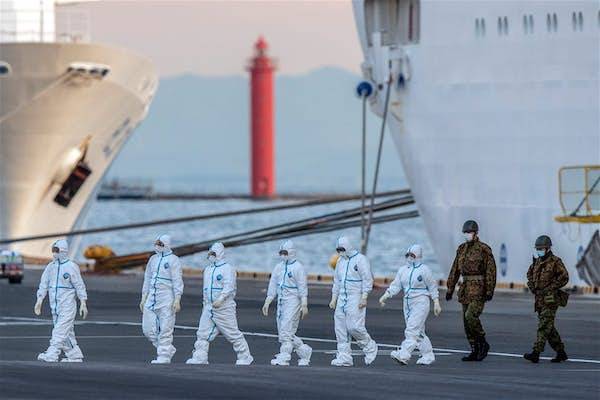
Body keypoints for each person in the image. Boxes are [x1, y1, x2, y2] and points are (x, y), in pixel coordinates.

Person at [186, 242, 253, 365]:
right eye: (210, 253)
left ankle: (245, 356)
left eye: (214, 253)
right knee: (202, 333)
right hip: (209, 307)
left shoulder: (228, 269)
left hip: (224, 307)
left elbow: (229, 286)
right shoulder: (208, 269)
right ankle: (200, 357)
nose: (211, 255)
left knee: (232, 333)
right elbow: (205, 289)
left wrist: (221, 299)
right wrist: (206, 303)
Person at [378, 244, 441, 365]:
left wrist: (436, 302)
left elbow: (432, 286)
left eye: (412, 255)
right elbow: (396, 285)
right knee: (419, 331)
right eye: (408, 255)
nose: (409, 257)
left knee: (412, 330)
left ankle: (404, 354)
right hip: (407, 303)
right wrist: (386, 295)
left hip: (421, 302)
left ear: (418, 256)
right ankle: (428, 355)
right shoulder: (403, 270)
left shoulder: (424, 270)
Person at [446, 220, 496, 361]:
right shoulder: (461, 249)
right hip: (465, 289)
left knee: (471, 316)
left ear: (476, 233)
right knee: (466, 322)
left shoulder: (484, 249)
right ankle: (474, 349)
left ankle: (483, 343)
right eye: (466, 233)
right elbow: (455, 269)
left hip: (479, 289)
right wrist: (450, 288)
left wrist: (489, 290)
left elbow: (491, 271)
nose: (467, 235)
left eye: (470, 232)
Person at [34, 239, 88, 362]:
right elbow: (44, 283)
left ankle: (52, 353)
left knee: (59, 330)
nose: (54, 253)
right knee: (66, 332)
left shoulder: (71, 267)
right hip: (55, 305)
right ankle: (74, 354)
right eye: (53, 250)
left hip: (67, 305)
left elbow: (79, 285)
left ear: (63, 251)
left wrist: (83, 302)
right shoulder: (51, 267)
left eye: (56, 250)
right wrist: (40, 299)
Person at [329, 236, 378, 367]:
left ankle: (369, 346)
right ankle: (344, 356)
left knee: (354, 326)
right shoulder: (340, 261)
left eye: (342, 248)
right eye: (338, 249)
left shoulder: (361, 260)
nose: (340, 251)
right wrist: (334, 298)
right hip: (342, 297)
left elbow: (367, 279)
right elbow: (336, 281)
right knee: (340, 327)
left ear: (348, 247)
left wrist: (364, 297)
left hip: (355, 296)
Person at [262, 240, 312, 366]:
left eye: (285, 253)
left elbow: (302, 287)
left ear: (291, 253)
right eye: (281, 253)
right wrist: (268, 300)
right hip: (281, 301)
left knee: (286, 330)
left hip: (293, 301)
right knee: (284, 331)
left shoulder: (298, 267)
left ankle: (284, 356)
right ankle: (304, 351)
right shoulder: (279, 267)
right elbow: (273, 284)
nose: (283, 255)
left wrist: (304, 303)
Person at [524, 235, 569, 363]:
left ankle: (536, 353)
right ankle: (561, 352)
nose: (539, 250)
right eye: (538, 248)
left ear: (548, 248)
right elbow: (529, 274)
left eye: (541, 248)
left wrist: (551, 287)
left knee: (544, 325)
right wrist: (532, 286)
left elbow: (564, 277)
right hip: (539, 299)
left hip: (550, 298)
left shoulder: (555, 262)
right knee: (549, 328)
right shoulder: (537, 262)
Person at [140, 234, 184, 364]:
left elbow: (177, 280)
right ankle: (165, 349)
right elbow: (147, 278)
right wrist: (144, 296)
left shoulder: (173, 260)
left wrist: (177, 298)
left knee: (165, 327)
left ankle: (164, 355)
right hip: (152, 297)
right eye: (157, 243)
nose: (157, 246)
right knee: (148, 329)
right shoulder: (153, 259)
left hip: (166, 298)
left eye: (160, 244)